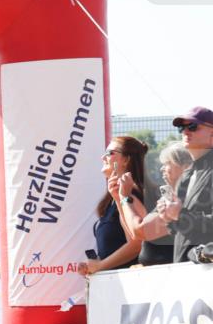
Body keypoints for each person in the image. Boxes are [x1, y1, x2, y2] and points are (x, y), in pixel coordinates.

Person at [116, 140, 192, 265]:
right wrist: (120, 198)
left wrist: (124, 197)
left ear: (185, 167)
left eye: (167, 163)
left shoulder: (184, 199)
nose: (162, 168)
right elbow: (135, 234)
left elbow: (140, 231)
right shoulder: (172, 196)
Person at [79, 137, 147, 275]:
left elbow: (137, 243)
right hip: (114, 282)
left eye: (110, 153)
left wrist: (100, 266)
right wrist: (94, 265)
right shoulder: (116, 195)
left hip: (130, 284)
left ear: (126, 160)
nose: (103, 157)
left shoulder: (131, 195)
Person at [158, 107, 213, 262]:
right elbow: (182, 232)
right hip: (185, 271)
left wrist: (179, 215)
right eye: (182, 127)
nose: (185, 132)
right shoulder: (186, 176)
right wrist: (169, 218)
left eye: (193, 127)